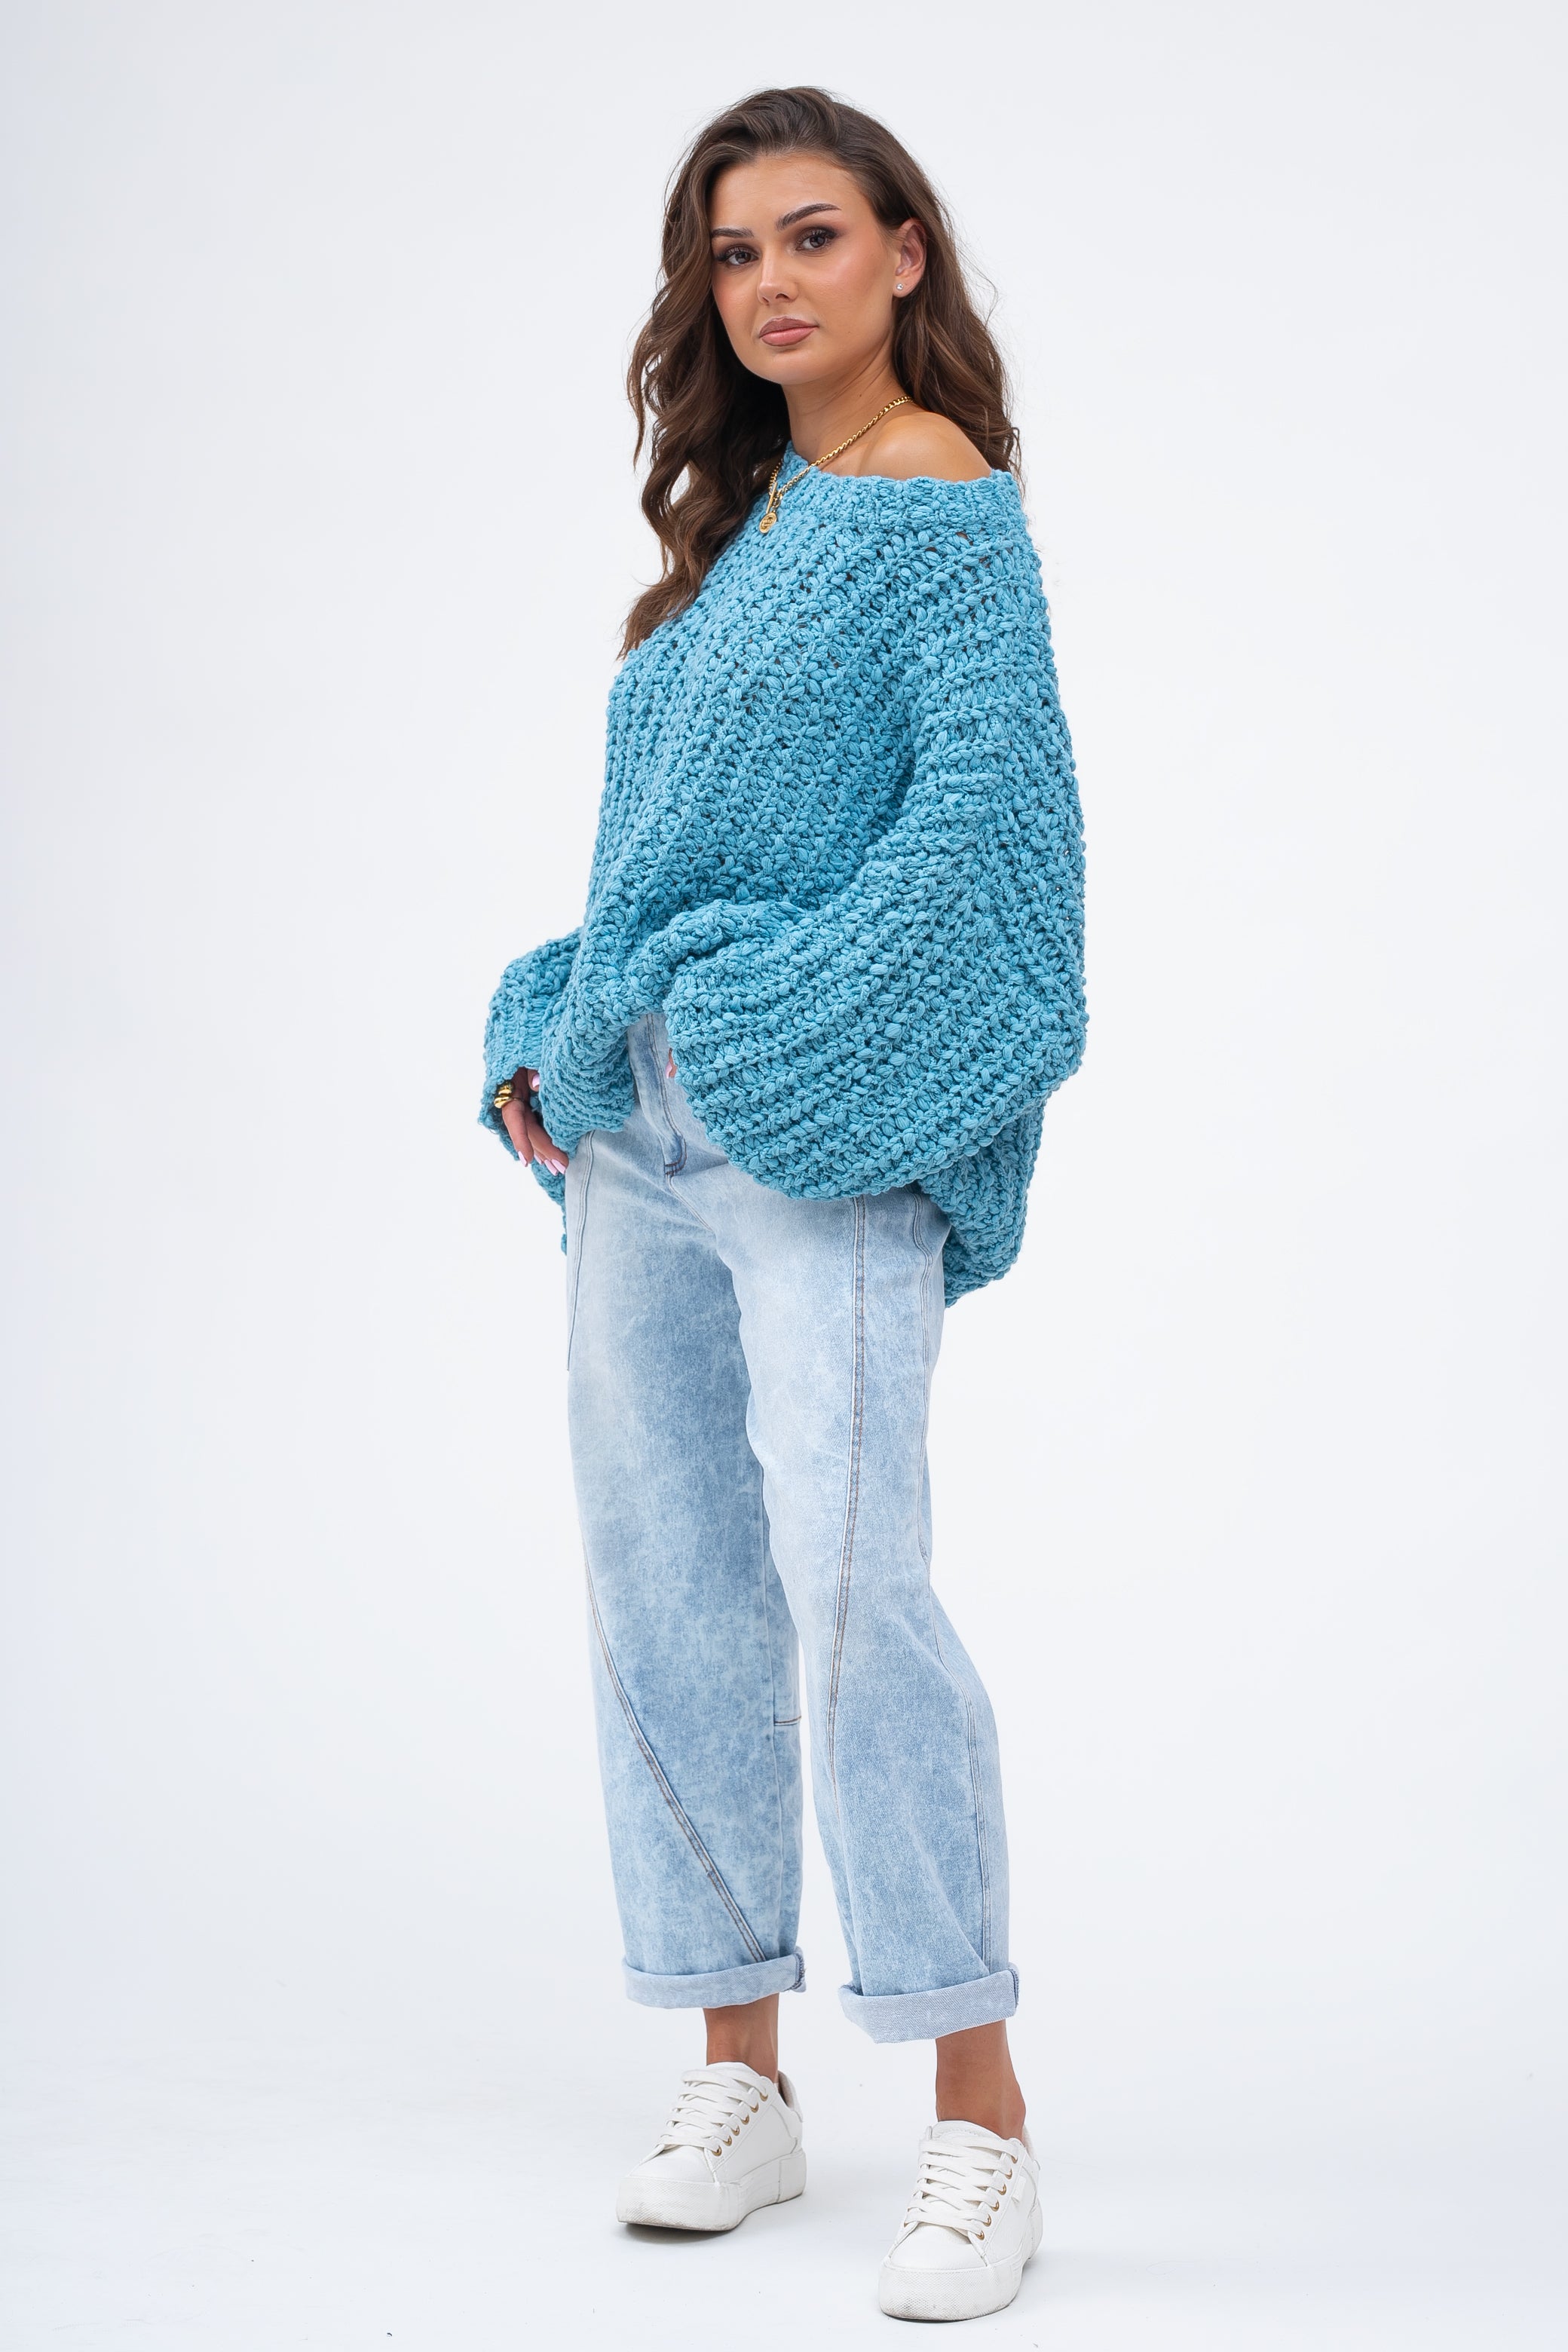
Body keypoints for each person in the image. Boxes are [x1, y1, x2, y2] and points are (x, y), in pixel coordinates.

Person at [480, 85, 1085, 2324]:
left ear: (906, 252)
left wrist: (755, 1042)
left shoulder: (937, 506)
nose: (771, 284)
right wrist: (565, 1025)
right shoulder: (746, 526)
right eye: (734, 254)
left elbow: (1001, 866)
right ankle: (738, 2071)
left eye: (814, 236)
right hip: (640, 1136)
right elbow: (667, 866)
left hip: (815, 1124)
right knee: (672, 1592)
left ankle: (981, 2117)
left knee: (850, 1596)